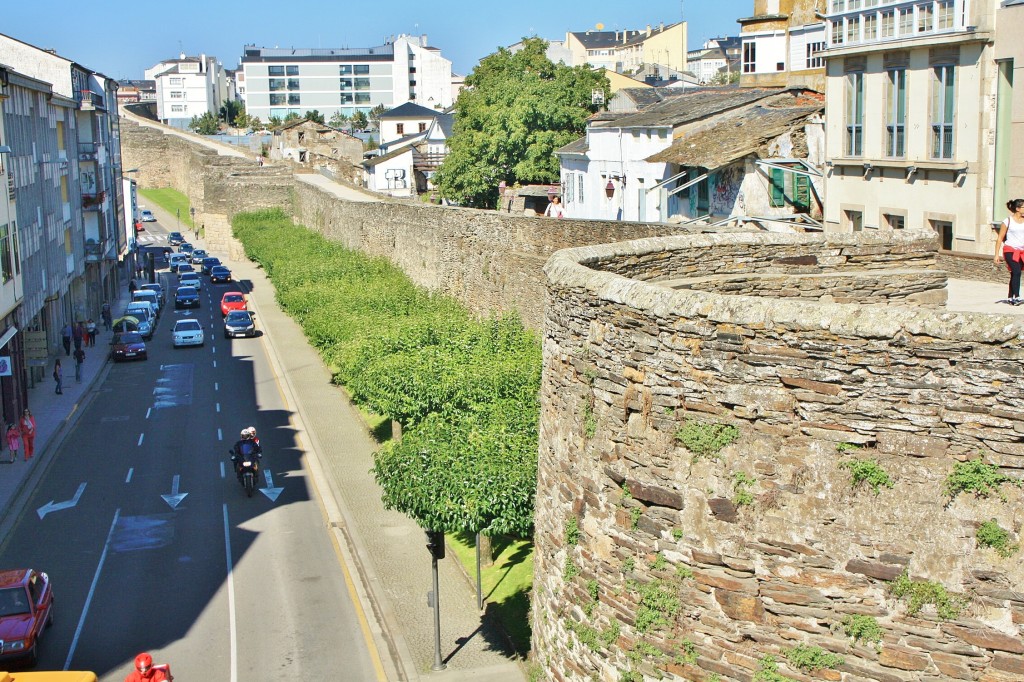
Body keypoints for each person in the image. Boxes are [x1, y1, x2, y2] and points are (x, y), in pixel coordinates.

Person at [995, 198, 1024, 304]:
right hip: (1010, 250)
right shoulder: (1007, 221)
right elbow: (1000, 238)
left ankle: (1010, 297)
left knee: (1014, 274)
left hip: (1021, 251)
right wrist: (996, 255)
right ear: (1017, 209)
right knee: (1016, 271)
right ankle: (1017, 296)